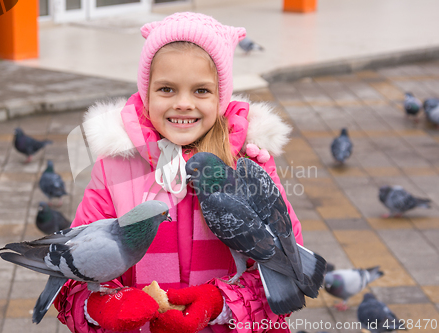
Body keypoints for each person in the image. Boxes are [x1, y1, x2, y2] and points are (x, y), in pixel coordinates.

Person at [54, 12, 303, 333]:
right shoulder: (115, 166)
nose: (183, 103)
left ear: (220, 97)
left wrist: (220, 302)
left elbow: (287, 263)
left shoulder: (249, 164)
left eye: (201, 91)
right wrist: (103, 305)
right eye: (167, 89)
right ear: (146, 94)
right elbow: (76, 265)